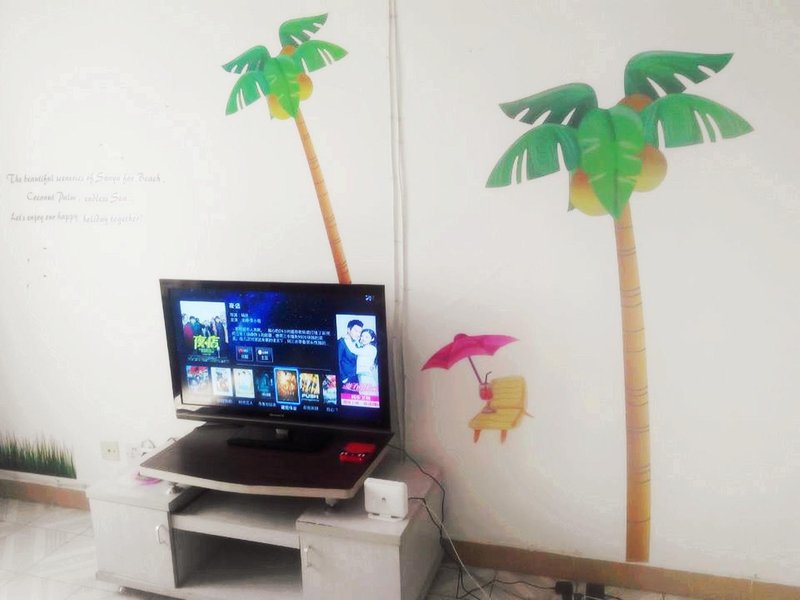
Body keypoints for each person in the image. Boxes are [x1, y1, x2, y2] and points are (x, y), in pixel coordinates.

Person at [337, 319, 362, 384]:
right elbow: (337, 361)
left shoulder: (357, 344)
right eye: (356, 331)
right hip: (345, 379)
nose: (358, 334)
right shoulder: (341, 342)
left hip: (356, 378)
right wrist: (343, 378)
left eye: (360, 332)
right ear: (348, 330)